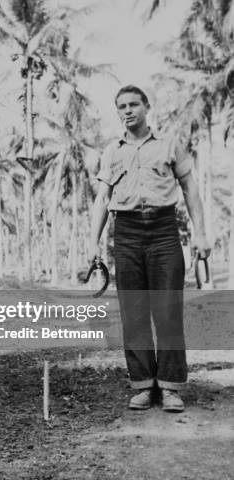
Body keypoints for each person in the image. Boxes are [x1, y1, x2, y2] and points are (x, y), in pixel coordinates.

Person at [89, 85, 211, 412]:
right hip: (126, 233)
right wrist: (93, 243)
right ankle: (143, 385)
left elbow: (190, 189)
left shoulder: (170, 145)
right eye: (121, 107)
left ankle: (170, 387)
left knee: (168, 311)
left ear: (146, 107)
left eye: (133, 105)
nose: (127, 111)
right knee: (134, 313)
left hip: (164, 230)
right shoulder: (112, 152)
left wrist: (201, 234)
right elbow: (102, 199)